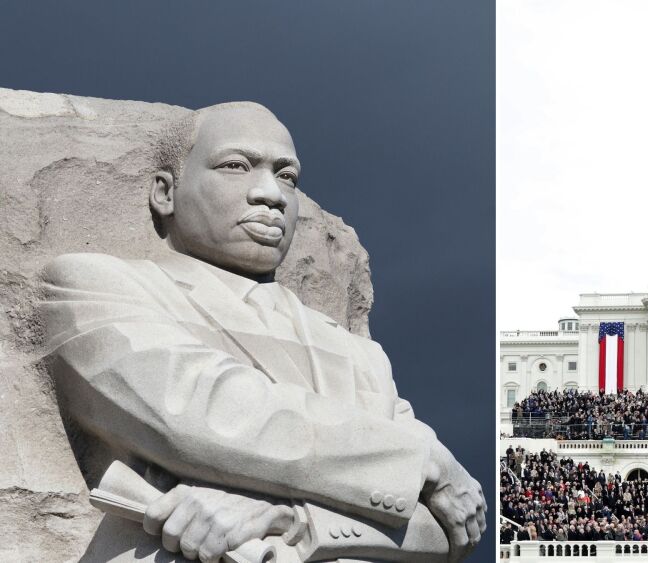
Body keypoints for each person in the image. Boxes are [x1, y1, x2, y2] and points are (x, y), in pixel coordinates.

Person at [42, 102, 486, 563]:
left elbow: (447, 528)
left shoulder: (361, 357)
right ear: (164, 193)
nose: (270, 194)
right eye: (235, 166)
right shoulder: (95, 285)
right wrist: (421, 460)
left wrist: (291, 519)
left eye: (287, 177)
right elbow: (199, 413)